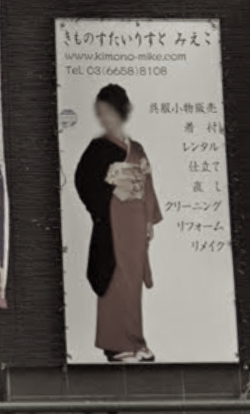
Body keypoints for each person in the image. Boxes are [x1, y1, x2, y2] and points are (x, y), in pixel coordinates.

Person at [75, 83, 162, 363]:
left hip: (135, 222)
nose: (104, 119)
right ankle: (115, 344)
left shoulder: (136, 148)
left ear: (121, 112)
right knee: (114, 278)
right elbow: (84, 181)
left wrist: (149, 219)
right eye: (100, 113)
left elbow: (147, 186)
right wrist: (109, 191)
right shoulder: (98, 148)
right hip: (113, 220)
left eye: (109, 112)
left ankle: (136, 341)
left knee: (132, 283)